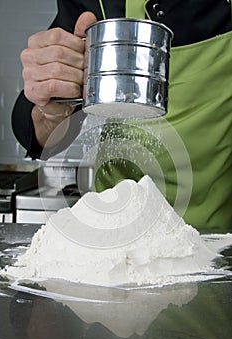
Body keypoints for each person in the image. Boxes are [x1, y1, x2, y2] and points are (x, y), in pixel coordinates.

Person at [12, 0, 232, 231]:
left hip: (218, 236)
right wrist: (50, 109)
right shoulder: (93, 5)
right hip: (116, 228)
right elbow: (42, 135)